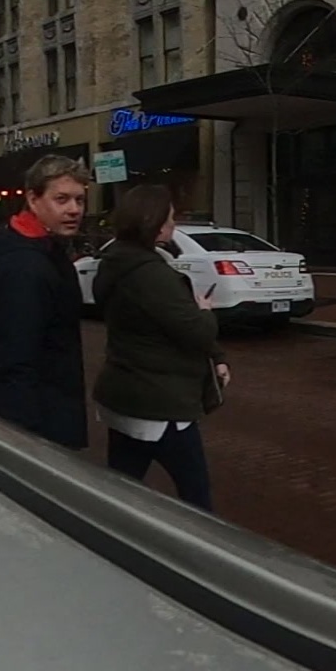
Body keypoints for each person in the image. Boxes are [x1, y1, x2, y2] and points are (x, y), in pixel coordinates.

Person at [88, 182, 223, 507]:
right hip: (161, 404)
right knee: (196, 497)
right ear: (155, 224)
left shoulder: (117, 263)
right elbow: (196, 331)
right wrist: (205, 312)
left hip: (126, 395)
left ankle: (112, 530)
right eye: (170, 218)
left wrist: (217, 356)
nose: (174, 224)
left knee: (122, 488)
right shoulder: (151, 275)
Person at [0, 155, 93, 450]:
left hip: (42, 414)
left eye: (79, 200)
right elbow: (14, 359)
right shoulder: (24, 267)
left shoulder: (43, 251)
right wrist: (25, 442)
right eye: (61, 199)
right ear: (33, 199)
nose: (74, 209)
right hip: (35, 427)